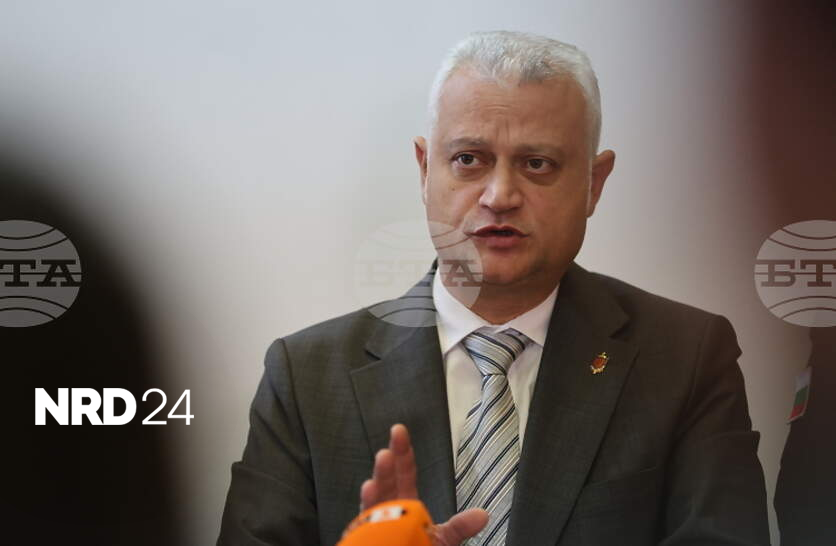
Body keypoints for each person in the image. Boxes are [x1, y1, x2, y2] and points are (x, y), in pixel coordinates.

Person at [217, 31, 770, 545]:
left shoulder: (685, 359)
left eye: (537, 164)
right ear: (424, 169)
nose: (500, 195)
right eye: (468, 160)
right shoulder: (307, 377)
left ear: (594, 183)